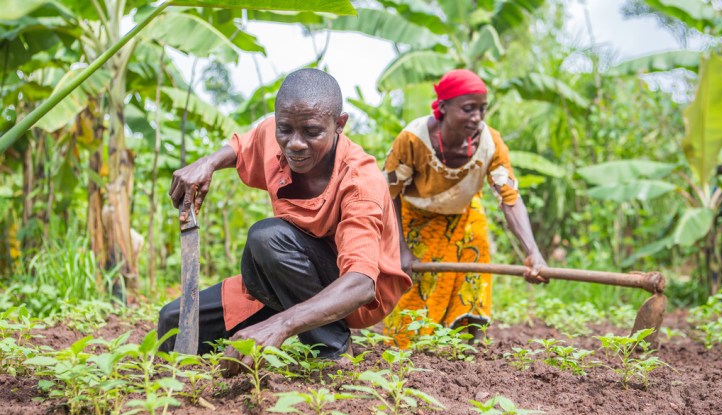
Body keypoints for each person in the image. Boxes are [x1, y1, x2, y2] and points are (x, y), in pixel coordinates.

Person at [158, 69, 411, 368]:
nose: (295, 143)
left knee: (267, 238)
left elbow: (361, 283)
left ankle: (332, 353)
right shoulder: (278, 135)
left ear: (339, 124)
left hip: (351, 294)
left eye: (312, 132)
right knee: (173, 324)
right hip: (285, 275)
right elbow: (242, 145)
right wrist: (208, 163)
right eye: (285, 129)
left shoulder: (360, 182)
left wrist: (280, 324)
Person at [382, 69, 547, 347]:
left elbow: (510, 197)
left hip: (465, 215)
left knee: (475, 269)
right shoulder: (412, 140)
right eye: (468, 109)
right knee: (418, 287)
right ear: (443, 108)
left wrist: (534, 253)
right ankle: (409, 346)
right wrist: (401, 248)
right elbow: (389, 194)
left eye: (482, 109)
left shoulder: (490, 142)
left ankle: (471, 346)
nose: (477, 117)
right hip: (416, 217)